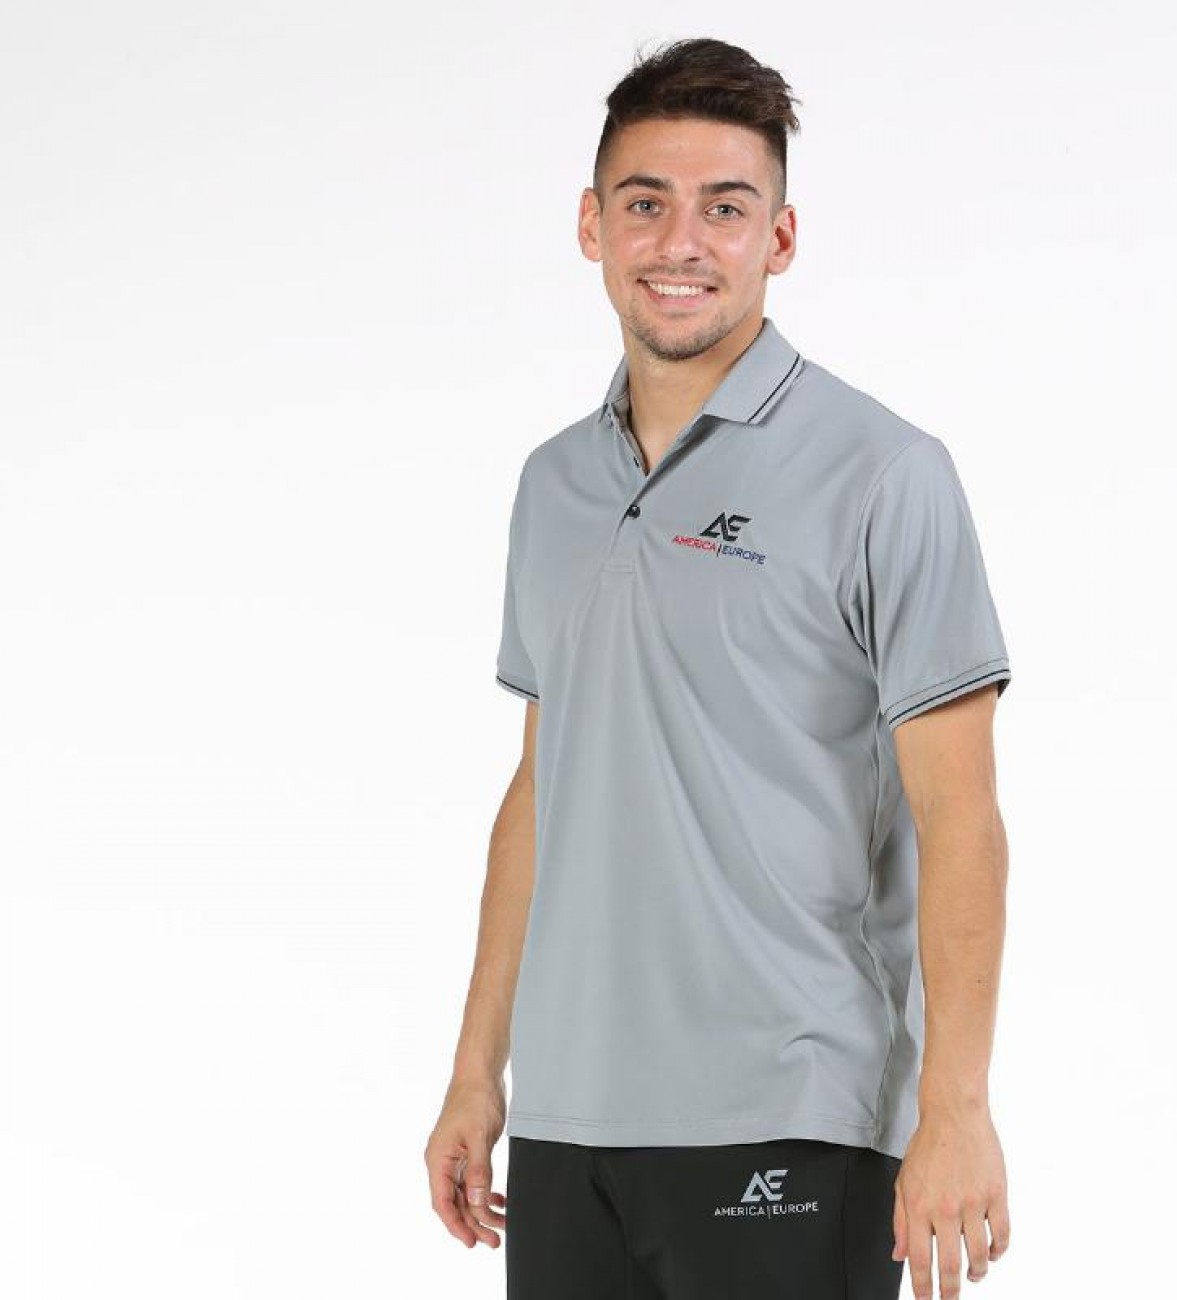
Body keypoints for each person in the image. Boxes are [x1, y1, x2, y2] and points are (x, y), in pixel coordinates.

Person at [426, 37, 1014, 1300]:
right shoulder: (552, 484)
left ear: (779, 239)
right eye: (646, 203)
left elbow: (959, 812)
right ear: (592, 225)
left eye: (725, 208)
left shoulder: (883, 473)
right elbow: (540, 790)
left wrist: (955, 1106)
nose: (680, 242)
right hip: (571, 1121)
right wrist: (478, 1071)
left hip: (791, 1107)